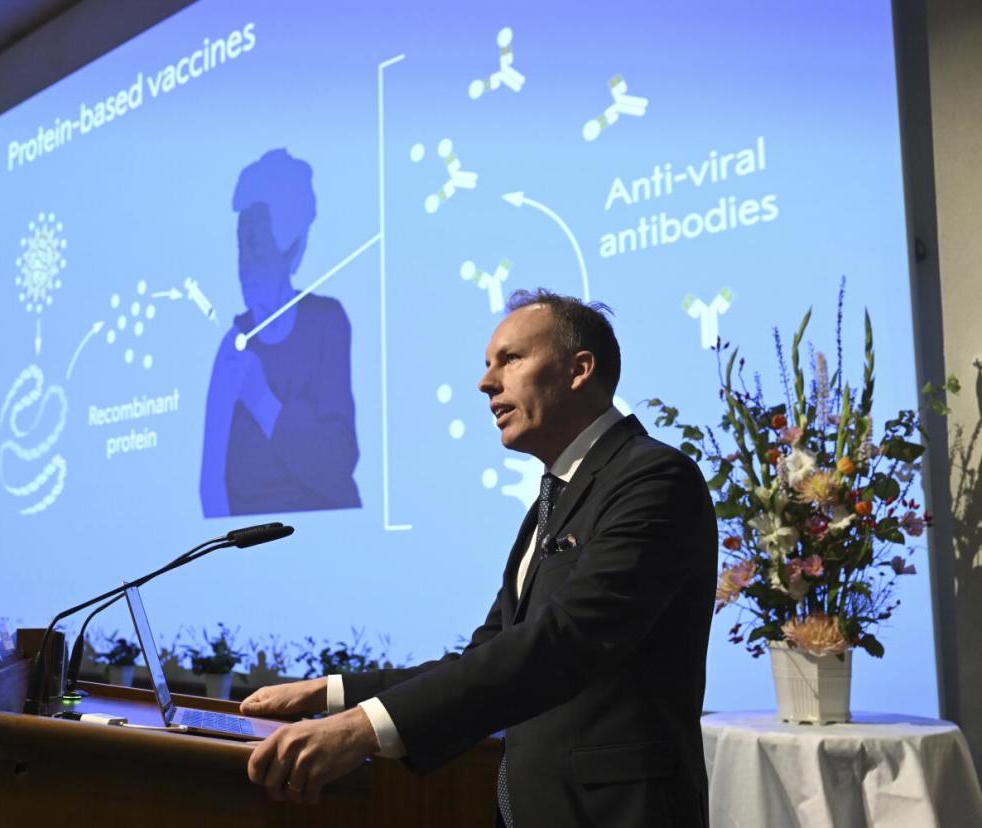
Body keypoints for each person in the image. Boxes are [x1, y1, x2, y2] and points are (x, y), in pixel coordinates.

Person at [241, 291, 717, 826]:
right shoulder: (552, 500)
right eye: (488, 365)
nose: (486, 383)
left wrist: (364, 728)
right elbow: (489, 653)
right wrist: (331, 693)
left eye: (509, 359)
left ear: (580, 369)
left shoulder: (653, 479)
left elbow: (564, 641)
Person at [200, 148, 361, 517]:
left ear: (291, 249)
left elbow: (337, 464)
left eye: (258, 248)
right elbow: (211, 484)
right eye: (241, 249)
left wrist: (260, 399)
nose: (245, 267)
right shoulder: (233, 344)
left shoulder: (327, 322)